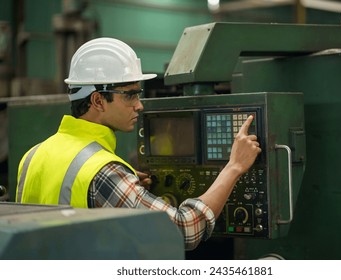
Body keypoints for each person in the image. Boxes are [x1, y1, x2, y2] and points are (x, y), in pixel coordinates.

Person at [16, 37, 261, 250]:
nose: (139, 105)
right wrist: (234, 167)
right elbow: (185, 230)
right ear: (99, 100)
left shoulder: (33, 155)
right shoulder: (103, 171)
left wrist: (126, 186)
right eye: (130, 94)